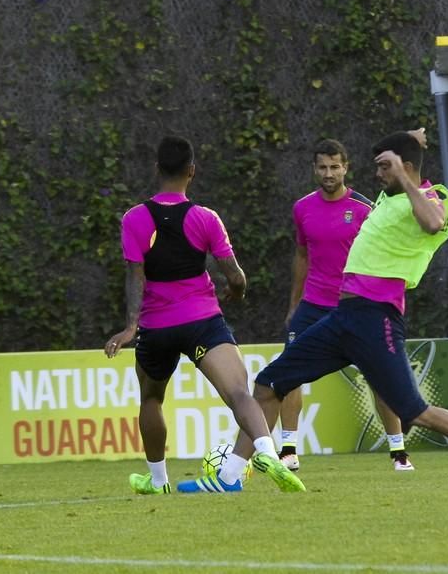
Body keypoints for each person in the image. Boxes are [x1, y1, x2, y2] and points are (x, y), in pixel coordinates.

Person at [179, 130, 448, 491]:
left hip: (377, 319)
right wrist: (407, 141)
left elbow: (433, 223)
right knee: (268, 385)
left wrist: (406, 176)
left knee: (415, 412)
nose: (377, 174)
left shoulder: (433, 197)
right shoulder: (388, 195)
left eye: (384, 168)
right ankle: (230, 478)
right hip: (341, 318)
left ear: (405, 169)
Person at [105, 135, 305, 494]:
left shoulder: (134, 218)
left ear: (156, 170)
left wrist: (130, 326)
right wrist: (237, 291)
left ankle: (158, 480)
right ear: (192, 172)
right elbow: (236, 275)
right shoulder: (205, 218)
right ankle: (266, 452)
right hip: (202, 321)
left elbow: (135, 274)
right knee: (239, 393)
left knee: (151, 399)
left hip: (156, 327)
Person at [279, 134, 426, 472]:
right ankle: (288, 449)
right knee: (288, 374)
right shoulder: (302, 208)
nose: (328, 173)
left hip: (359, 308)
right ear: (314, 169)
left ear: (346, 168)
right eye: (322, 167)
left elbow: (387, 253)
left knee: (379, 378)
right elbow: (301, 255)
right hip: (313, 305)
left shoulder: (365, 208)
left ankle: (398, 451)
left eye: (334, 167)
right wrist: (294, 304)